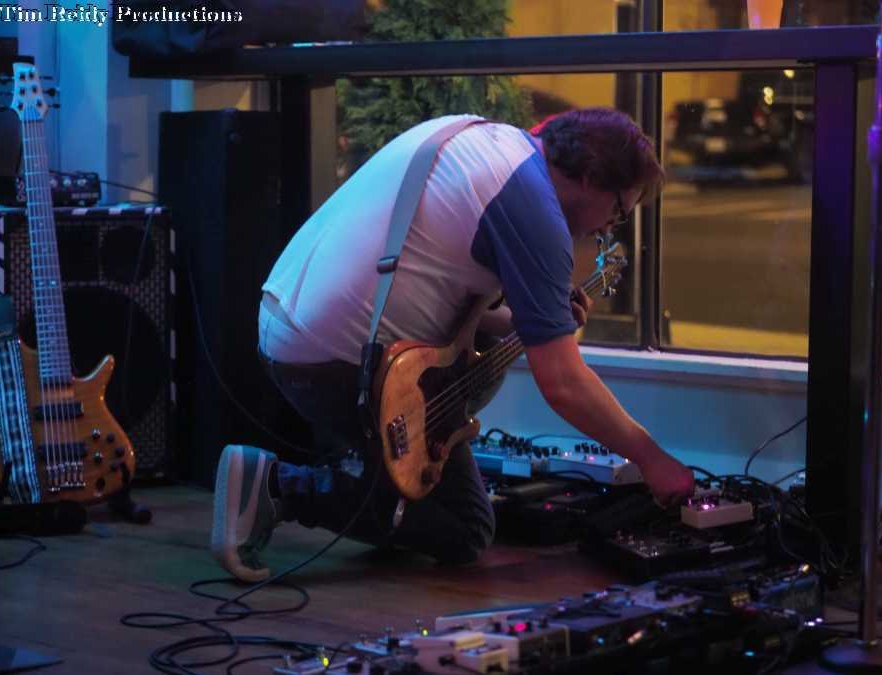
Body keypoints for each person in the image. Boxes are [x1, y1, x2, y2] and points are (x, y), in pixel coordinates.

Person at [210, 108, 696, 582]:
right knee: (465, 528)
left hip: (285, 328)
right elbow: (563, 383)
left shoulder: (477, 136)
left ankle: (373, 478)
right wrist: (652, 460)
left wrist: (529, 318)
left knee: (485, 348)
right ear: (591, 176)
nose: (609, 228)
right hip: (336, 366)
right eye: (618, 211)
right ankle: (281, 486)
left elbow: (429, 282)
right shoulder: (536, 213)